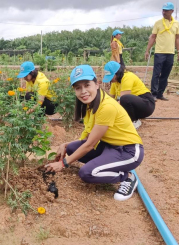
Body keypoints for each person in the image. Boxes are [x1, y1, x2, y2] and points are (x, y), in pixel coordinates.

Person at [45, 65, 144, 201]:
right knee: (72, 148)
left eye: (87, 85)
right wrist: (66, 144)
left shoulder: (106, 106)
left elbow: (90, 144)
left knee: (87, 173)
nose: (83, 91)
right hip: (110, 146)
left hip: (129, 151)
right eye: (78, 88)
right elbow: (88, 134)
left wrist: (63, 164)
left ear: (97, 84)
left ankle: (127, 177)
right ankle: (108, 164)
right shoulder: (90, 104)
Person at [145, 2, 179, 101]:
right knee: (156, 73)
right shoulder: (158, 23)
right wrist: (147, 50)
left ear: (172, 11)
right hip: (159, 52)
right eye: (163, 10)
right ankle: (153, 94)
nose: (164, 12)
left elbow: (177, 38)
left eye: (166, 10)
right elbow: (153, 37)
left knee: (165, 74)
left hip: (170, 53)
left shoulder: (176, 24)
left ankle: (160, 93)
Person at [103, 61, 155, 129]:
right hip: (134, 105)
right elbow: (111, 99)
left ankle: (134, 121)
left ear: (117, 73)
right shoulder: (115, 82)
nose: (110, 79)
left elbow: (121, 101)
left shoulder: (127, 77)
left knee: (124, 99)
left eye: (111, 76)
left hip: (146, 104)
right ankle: (132, 118)